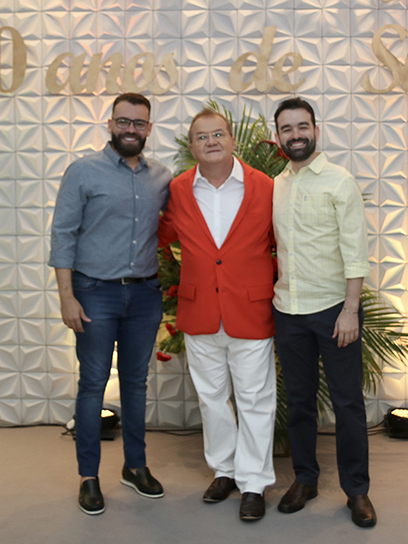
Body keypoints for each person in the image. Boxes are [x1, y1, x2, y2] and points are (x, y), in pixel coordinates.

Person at [49, 93, 172, 515]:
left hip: (144, 295)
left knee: (136, 384)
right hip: (93, 293)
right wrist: (67, 297)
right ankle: (89, 476)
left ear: (149, 128)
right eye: (123, 121)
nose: (130, 129)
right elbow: (62, 235)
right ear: (110, 124)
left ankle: (134, 467)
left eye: (139, 123)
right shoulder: (83, 171)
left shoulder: (162, 177)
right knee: (93, 384)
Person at [158, 108, 276, 522]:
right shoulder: (177, 190)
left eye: (218, 134)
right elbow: (158, 236)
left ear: (232, 140)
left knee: (255, 400)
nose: (211, 142)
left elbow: (284, 242)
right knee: (211, 400)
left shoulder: (265, 187)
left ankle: (254, 482)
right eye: (201, 136)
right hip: (200, 310)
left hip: (251, 310)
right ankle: (224, 471)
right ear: (191, 147)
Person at [271, 97, 376, 528]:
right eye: (287, 128)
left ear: (316, 130)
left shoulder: (339, 181)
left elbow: (355, 251)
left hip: (335, 311)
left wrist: (351, 309)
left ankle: (357, 490)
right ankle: (306, 479)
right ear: (278, 136)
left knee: (347, 402)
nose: (295, 135)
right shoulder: (276, 185)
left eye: (302, 126)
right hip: (287, 309)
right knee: (299, 402)